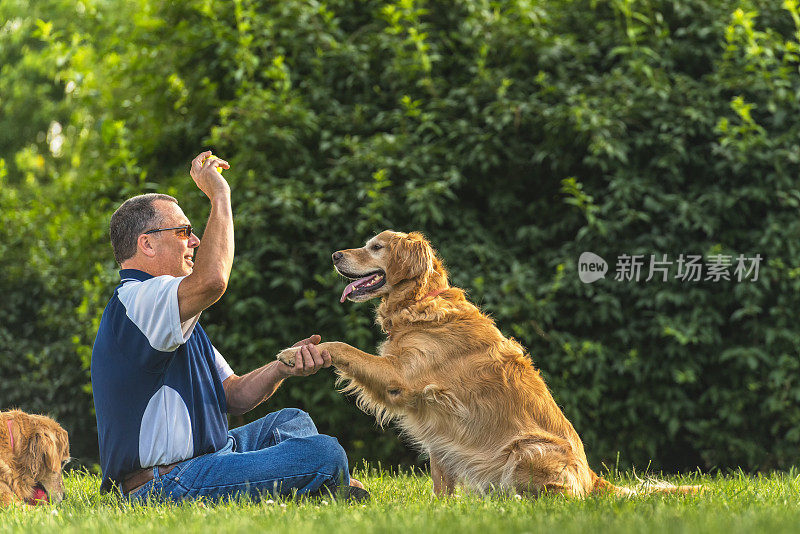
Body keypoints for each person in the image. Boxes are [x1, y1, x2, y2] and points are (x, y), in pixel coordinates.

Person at [90, 151, 367, 503]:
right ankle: (325, 483)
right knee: (323, 453)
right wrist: (219, 195)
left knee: (291, 420)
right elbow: (213, 280)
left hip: (210, 460)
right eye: (183, 232)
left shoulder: (171, 315)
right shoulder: (138, 300)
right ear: (146, 243)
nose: (195, 241)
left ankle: (319, 486)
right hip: (167, 483)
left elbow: (233, 395)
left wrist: (282, 366)